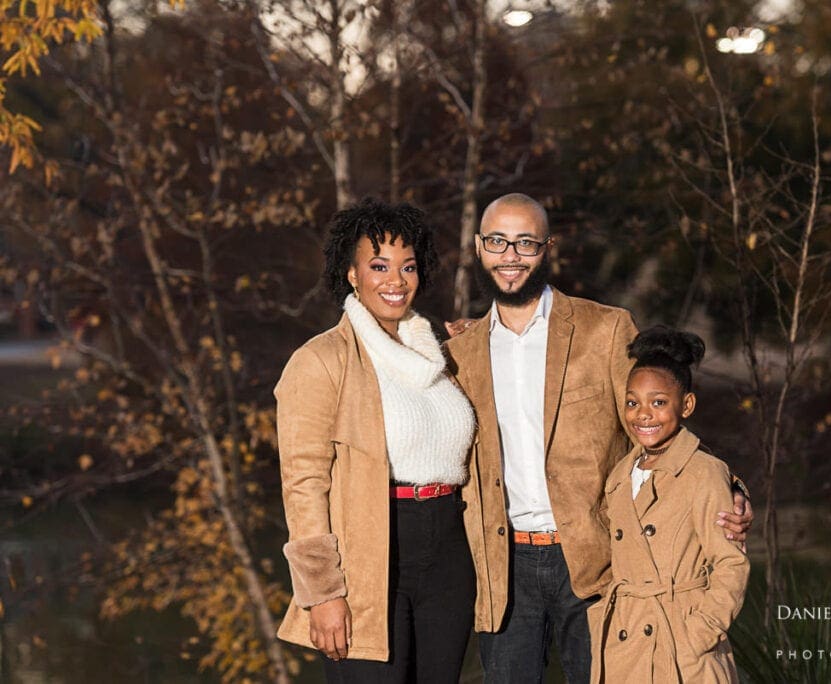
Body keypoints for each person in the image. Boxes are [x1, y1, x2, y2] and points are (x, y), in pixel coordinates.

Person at [445, 193, 753, 683]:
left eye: (525, 242)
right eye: (498, 241)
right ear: (479, 248)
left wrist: (729, 487)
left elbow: (656, 417)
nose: (511, 255)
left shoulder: (605, 329)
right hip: (504, 570)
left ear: (548, 248)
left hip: (601, 559)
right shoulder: (458, 353)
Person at [274, 198, 477, 683]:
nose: (396, 280)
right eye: (379, 265)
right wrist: (322, 593)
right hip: (369, 555)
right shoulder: (321, 360)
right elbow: (302, 484)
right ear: (351, 273)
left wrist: (480, 343)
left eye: (408, 267)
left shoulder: (440, 356)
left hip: (449, 551)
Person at [589, 326, 749, 683]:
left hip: (683, 647)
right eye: (633, 402)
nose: (643, 414)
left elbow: (730, 563)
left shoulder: (703, 472)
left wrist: (699, 633)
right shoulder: (620, 473)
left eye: (658, 402)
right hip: (626, 638)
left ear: (686, 405)